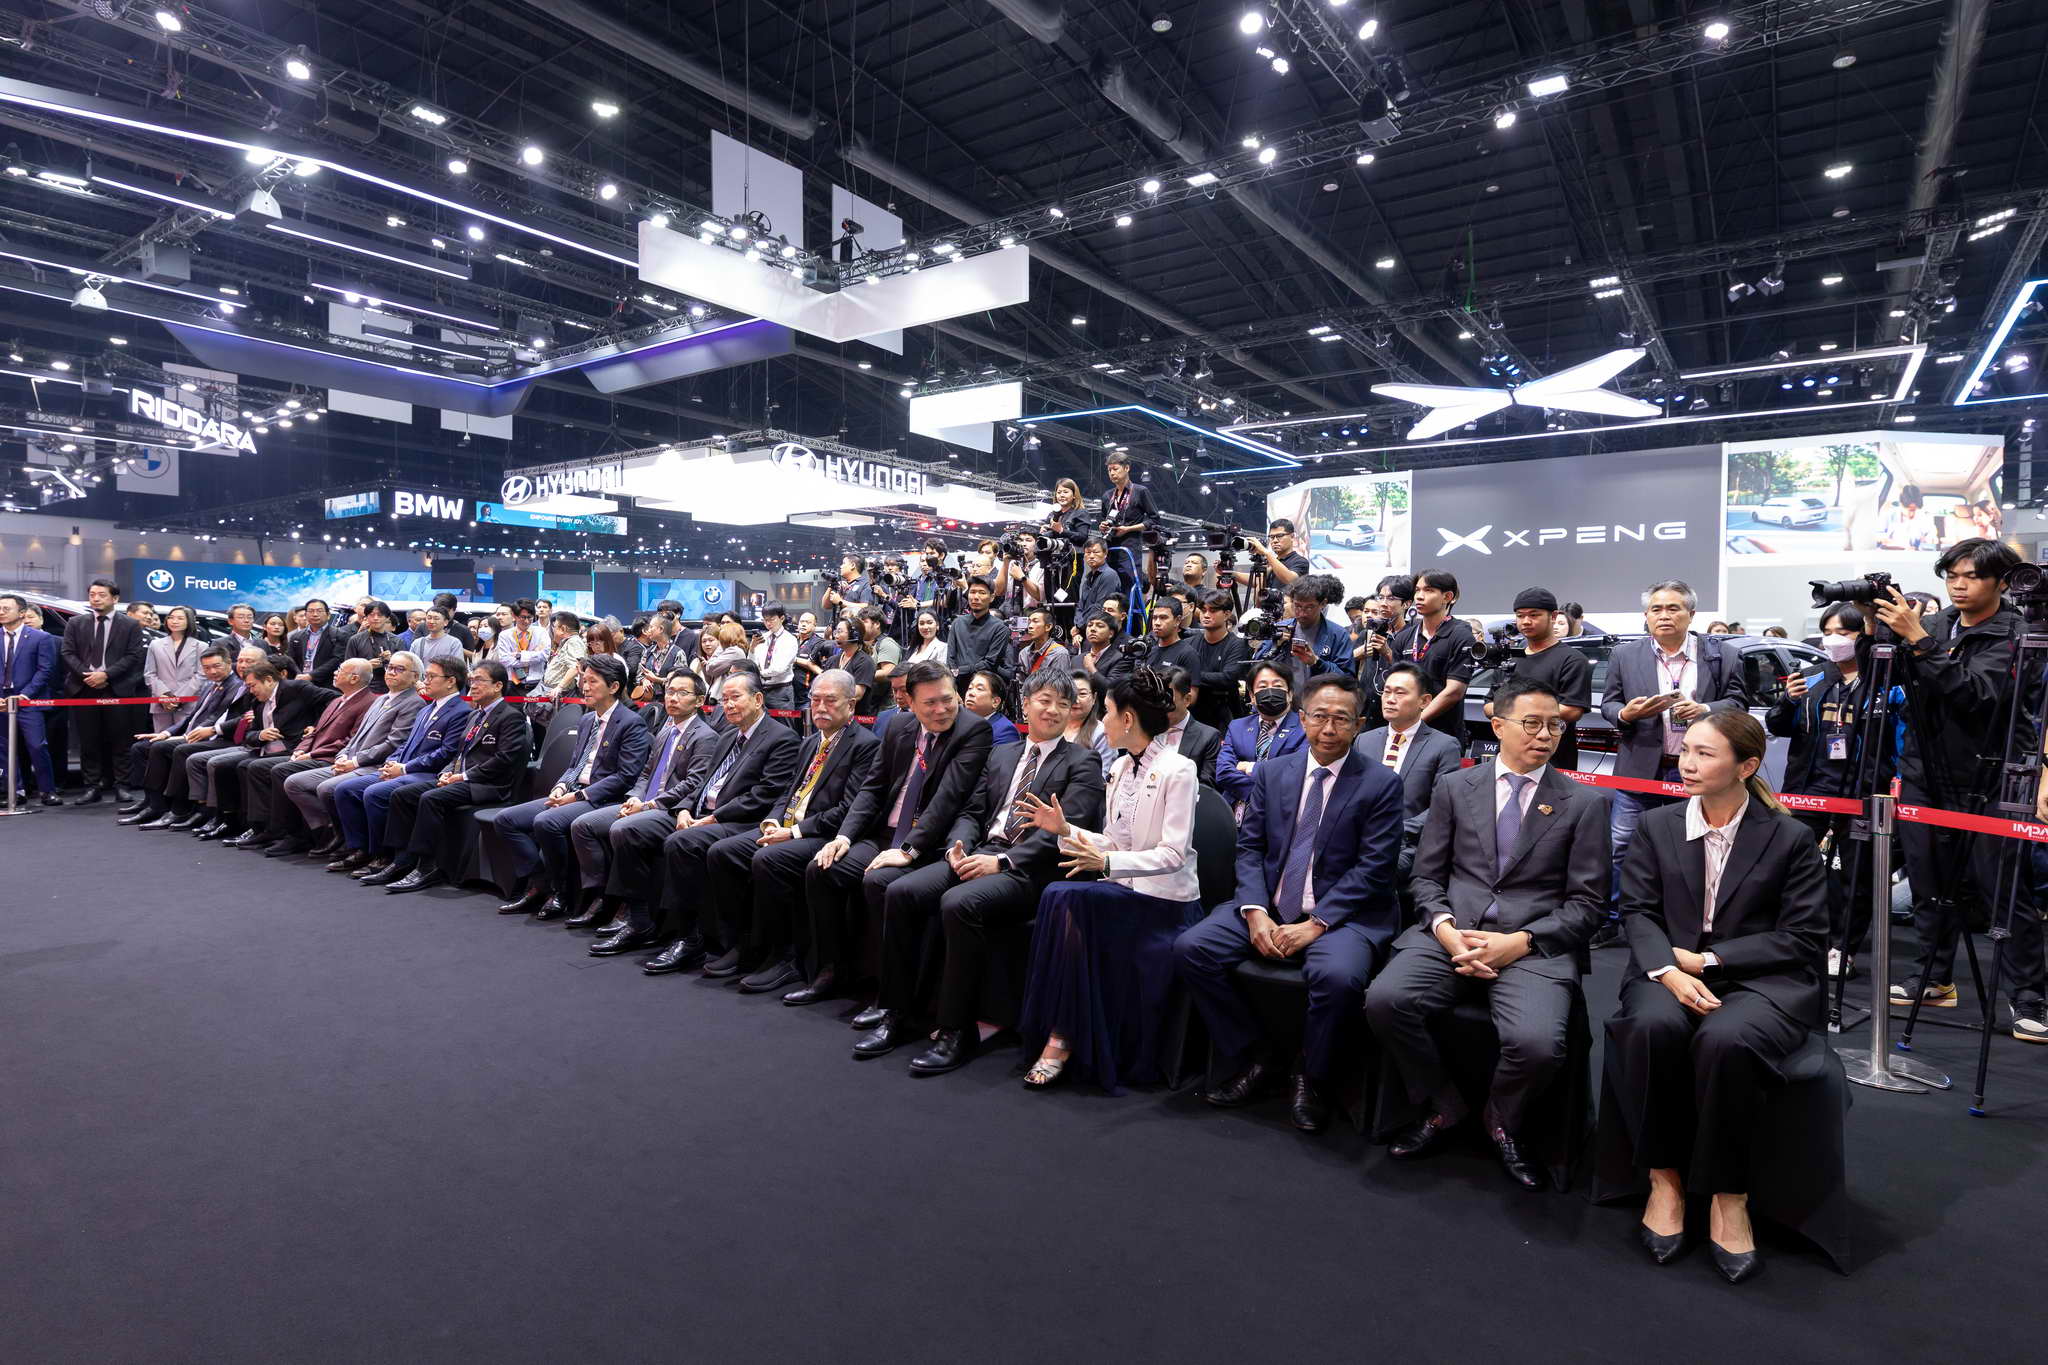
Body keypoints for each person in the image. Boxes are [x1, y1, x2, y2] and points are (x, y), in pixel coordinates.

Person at [1606, 711, 1828, 1283]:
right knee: (1653, 1027)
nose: (1687, 763)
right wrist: (1667, 970)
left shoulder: (1790, 837)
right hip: (1665, 969)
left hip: (1762, 978)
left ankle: (1730, 1194)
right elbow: (1637, 911)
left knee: (1726, 1040)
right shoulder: (1656, 825)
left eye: (1705, 754)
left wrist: (1708, 961)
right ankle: (1664, 1179)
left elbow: (1802, 937)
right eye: (1687, 750)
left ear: (1747, 766)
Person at [1365, 677, 1611, 1189]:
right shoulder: (1457, 787)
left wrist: (1520, 942)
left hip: (1533, 943)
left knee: (1537, 1044)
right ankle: (1443, 1104)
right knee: (1385, 1001)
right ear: (1497, 726)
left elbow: (1588, 904)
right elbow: (1426, 877)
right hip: (1452, 932)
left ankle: (1501, 1119)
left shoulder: (1583, 802)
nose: (1545, 735)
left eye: (1555, 726)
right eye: (1532, 723)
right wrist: (1445, 929)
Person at [1177, 674, 1405, 1129]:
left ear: (1359, 725)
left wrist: (1316, 923)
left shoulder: (1381, 783)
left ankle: (1311, 1074)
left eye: (1341, 719)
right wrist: (1254, 910)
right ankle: (1257, 1055)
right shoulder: (1274, 772)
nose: (1328, 728)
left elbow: (1374, 869)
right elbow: (1251, 847)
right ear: (1302, 719)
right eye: (1319, 716)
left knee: (1337, 977)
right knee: (1192, 949)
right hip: (1270, 902)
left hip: (1344, 914)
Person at [859, 670, 1108, 1072]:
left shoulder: (1083, 760)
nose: (1053, 710)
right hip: (983, 851)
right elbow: (972, 811)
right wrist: (958, 848)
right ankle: (895, 1011)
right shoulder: (1002, 753)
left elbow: (1067, 830)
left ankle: (957, 1030)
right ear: (1025, 704)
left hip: (1032, 869)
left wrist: (1003, 862)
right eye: (1045, 701)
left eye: (1063, 704)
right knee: (901, 891)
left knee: (959, 903)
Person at [1875, 539, 2046, 1039]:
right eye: (1952, 575)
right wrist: (1876, 629)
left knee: (2003, 892)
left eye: (1971, 576)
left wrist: (1918, 641)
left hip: (1990, 777)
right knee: (1928, 884)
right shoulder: (1935, 624)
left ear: (2001, 581)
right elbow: (1887, 677)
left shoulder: (2017, 632)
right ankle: (1933, 977)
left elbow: (1978, 695)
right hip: (1925, 774)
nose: (1959, 585)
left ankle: (2029, 999)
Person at [1014, 667, 1201, 1092]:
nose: (1102, 719)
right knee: (1060, 896)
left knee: (1063, 896)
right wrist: (1065, 830)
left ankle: (1061, 1035)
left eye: (1109, 712)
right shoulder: (1118, 767)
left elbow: (1173, 854)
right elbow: (1114, 842)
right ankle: (1061, 1031)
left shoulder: (1179, 769)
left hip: (1165, 901)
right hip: (1124, 891)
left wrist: (1106, 864)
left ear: (1128, 719)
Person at [786, 661, 994, 1007]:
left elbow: (949, 798)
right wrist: (844, 837)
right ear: (910, 702)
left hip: (927, 840)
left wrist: (910, 848)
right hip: (884, 833)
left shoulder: (973, 731)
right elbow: (873, 787)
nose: (941, 710)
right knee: (823, 869)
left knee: (879, 882)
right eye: (929, 703)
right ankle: (831, 971)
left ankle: (888, 996)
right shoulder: (898, 726)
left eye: (947, 699)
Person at [593, 672, 800, 965]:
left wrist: (714, 817)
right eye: (724, 699)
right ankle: (638, 920)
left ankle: (688, 937)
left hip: (737, 820)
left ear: (757, 699)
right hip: (698, 812)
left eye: (735, 697)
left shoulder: (781, 738)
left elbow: (764, 795)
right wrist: (684, 808)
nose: (728, 705)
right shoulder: (729, 735)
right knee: (628, 830)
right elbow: (703, 782)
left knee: (681, 842)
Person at [702, 670, 881, 992]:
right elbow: (788, 791)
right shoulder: (811, 741)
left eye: (830, 701)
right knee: (723, 853)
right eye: (815, 700)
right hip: (787, 825)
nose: (820, 708)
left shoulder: (865, 745)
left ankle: (786, 956)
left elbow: (849, 808)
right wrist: (773, 821)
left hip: (822, 833)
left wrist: (795, 831)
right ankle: (744, 943)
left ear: (851, 705)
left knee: (769, 859)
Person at [1599, 580, 1751, 936]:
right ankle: (1612, 920)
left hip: (1698, 771)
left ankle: (1683, 924)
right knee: (1621, 846)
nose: (1664, 615)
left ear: (1691, 614)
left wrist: (1705, 709)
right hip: (1639, 769)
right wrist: (1625, 714)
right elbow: (1609, 704)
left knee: (1692, 849)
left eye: (1673, 608)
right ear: (1646, 615)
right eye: (1656, 609)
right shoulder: (1625, 655)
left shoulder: (1721, 655)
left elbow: (1738, 703)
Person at [1767, 603, 1880, 975]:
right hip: (1808, 787)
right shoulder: (1811, 676)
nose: (1834, 640)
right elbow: (1779, 726)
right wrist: (1788, 700)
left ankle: (1842, 947)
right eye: (1828, 632)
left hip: (1861, 791)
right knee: (1789, 865)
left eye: (1844, 633)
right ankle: (1786, 936)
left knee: (1856, 875)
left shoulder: (1883, 679)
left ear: (1864, 635)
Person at [491, 656, 651, 917]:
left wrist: (579, 795)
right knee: (506, 819)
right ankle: (540, 883)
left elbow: (625, 777)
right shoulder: (587, 720)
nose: (584, 687)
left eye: (592, 681)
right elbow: (575, 765)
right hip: (574, 792)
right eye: (583, 680)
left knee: (546, 821)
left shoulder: (631, 722)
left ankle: (561, 892)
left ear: (613, 686)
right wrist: (561, 786)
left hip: (603, 798)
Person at [564, 672, 722, 930]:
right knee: (583, 825)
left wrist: (648, 805)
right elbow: (646, 774)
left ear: (699, 700)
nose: (673, 698)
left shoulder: (705, 736)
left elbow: (693, 784)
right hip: (643, 802)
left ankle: (633, 911)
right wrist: (634, 797)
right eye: (670, 691)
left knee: (623, 828)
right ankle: (602, 898)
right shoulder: (665, 731)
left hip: (669, 809)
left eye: (682, 693)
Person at [364, 660, 529, 892]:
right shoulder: (475, 715)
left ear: (498, 686)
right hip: (460, 779)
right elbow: (458, 753)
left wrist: (462, 776)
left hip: (488, 785)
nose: (473, 685)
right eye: (472, 680)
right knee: (402, 794)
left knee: (431, 798)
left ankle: (427, 867)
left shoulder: (511, 716)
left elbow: (503, 760)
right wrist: (447, 772)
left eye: (479, 680)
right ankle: (402, 860)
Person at [328, 660, 472, 879]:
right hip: (404, 768)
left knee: (375, 793)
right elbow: (405, 744)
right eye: (426, 676)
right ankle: (361, 849)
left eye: (431, 677)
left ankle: (385, 855)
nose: (425, 681)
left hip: (428, 773)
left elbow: (446, 753)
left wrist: (403, 768)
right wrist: (391, 763)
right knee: (345, 789)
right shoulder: (427, 709)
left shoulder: (461, 711)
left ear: (451, 681)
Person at [227, 657, 377, 852]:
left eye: (339, 670)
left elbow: (351, 741)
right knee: (252, 767)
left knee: (279, 771)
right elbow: (314, 731)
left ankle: (294, 834)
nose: (334, 672)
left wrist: (311, 754)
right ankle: (266, 828)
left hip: (330, 758)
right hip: (306, 751)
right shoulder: (338, 700)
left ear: (354, 678)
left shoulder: (368, 702)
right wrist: (301, 749)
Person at [286, 655, 427, 862]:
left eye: (399, 669)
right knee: (294, 783)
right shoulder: (381, 699)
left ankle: (356, 844)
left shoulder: (413, 703)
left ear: (415, 677)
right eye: (389, 667)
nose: (390, 672)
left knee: (328, 788)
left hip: (375, 765)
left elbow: (393, 743)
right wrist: (343, 755)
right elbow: (356, 737)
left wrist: (355, 761)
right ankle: (336, 833)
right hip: (353, 760)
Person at [189, 660, 338, 841]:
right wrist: (261, 735)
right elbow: (249, 735)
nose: (251, 690)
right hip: (264, 749)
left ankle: (262, 827)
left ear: (268, 680)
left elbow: (335, 700)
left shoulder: (296, 688)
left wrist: (317, 726)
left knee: (250, 767)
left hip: (294, 749)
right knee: (223, 766)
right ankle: (231, 821)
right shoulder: (257, 702)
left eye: (253, 685)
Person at [1355, 664, 1464, 882]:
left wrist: (1395, 831)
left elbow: (1442, 806)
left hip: (1408, 844)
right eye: (1387, 691)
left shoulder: (1444, 746)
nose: (1390, 699)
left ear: (1424, 701)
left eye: (1400, 693)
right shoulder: (1363, 740)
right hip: (1358, 838)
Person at [123, 646, 248, 827]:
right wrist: (167, 732)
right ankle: (152, 800)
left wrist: (181, 738)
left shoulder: (235, 686)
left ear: (229, 663)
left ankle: (176, 809)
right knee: (140, 747)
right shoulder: (209, 685)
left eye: (216, 666)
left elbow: (215, 719)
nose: (212, 671)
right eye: (207, 668)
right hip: (193, 733)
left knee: (165, 748)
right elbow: (191, 717)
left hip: (213, 737)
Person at [59, 579, 149, 803]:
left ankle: (122, 785)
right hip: (83, 688)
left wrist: (106, 675)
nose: (96, 598)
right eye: (92, 594)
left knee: (121, 741)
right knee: (88, 742)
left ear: (115, 598)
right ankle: (91, 786)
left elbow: (133, 656)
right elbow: (67, 653)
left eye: (101, 595)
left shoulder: (130, 624)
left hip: (116, 688)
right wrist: (88, 676)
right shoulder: (76, 623)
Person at [1497, 588, 1594, 772]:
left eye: (1534, 615)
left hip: (1553, 758)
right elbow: (1488, 704)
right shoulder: (1509, 659)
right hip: (1508, 757)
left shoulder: (1572, 660)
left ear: (1553, 616)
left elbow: (1572, 710)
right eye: (1520, 616)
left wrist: (1516, 714)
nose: (1526, 621)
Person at [1379, 570, 1474, 745]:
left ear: (1447, 597)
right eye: (1417, 590)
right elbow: (1396, 683)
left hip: (1443, 734)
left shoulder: (1461, 635)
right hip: (1402, 731)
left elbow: (1454, 691)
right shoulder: (1405, 637)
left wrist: (1416, 722)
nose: (1419, 596)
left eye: (1428, 590)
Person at [1216, 661, 1305, 808]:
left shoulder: (1304, 729)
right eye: (1262, 687)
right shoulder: (1237, 726)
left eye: (1277, 686)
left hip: (1281, 810)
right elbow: (1223, 773)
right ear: (1252, 696)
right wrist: (1264, 793)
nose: (1270, 691)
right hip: (1236, 810)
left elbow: (1294, 774)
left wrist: (1250, 767)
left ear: (1290, 694)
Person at [1, 592, 62, 805]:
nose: (1, 612)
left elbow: (45, 670)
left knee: (37, 745)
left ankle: (47, 790)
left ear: (21, 612)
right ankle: (15, 791)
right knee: (4, 749)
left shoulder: (40, 638)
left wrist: (25, 694)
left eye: (6, 608)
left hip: (29, 699)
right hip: (1, 700)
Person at [1189, 590, 1250, 735]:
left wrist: (1192, 676)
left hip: (1225, 716)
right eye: (1203, 610)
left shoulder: (1237, 645)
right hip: (1194, 714)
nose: (1206, 615)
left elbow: (1228, 678)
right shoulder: (1190, 643)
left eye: (1213, 610)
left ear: (1227, 614)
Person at [1098, 454, 1158, 593]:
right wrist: (1102, 526)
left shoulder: (1140, 491)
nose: (1112, 473)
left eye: (1115, 469)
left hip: (1130, 547)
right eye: (1109, 470)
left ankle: (1133, 608)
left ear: (1126, 468)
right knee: (1110, 587)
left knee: (1129, 586)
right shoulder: (1107, 496)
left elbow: (1154, 520)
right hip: (1110, 547)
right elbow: (1103, 519)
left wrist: (1129, 529)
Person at [142, 605, 203, 734]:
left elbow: (201, 675)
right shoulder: (155, 644)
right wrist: (165, 695)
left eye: (180, 618)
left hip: (188, 703)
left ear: (189, 621)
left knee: (186, 739)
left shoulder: (200, 646)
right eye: (171, 618)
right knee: (160, 740)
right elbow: (149, 674)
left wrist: (179, 698)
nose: (174, 621)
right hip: (161, 702)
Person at [1161, 667, 1222, 790]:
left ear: (1187, 699)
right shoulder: (1146, 730)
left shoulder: (1209, 737)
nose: (1161, 704)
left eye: (1167, 698)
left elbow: (1206, 789)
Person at [945, 576, 1013, 686]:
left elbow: (990, 663)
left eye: (982, 593)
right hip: (956, 684)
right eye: (972, 592)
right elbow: (950, 657)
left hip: (983, 685)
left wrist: (959, 671)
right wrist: (953, 676)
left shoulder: (1000, 628)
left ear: (991, 597)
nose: (976, 597)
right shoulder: (957, 623)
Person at [1063, 669, 1116, 778]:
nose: (1076, 700)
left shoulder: (1102, 732)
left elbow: (1102, 777)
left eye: (1082, 694)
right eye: (1071, 694)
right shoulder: (1054, 726)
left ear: (1094, 698)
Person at [1235, 517, 1313, 589]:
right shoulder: (1273, 562)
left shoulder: (1300, 561)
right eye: (1272, 537)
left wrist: (1266, 553)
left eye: (1280, 536)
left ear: (1292, 537)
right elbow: (1257, 580)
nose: (1275, 541)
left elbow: (1290, 580)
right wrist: (1232, 574)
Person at [751, 603, 800, 712]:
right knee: (761, 722)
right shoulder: (763, 638)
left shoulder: (789, 639)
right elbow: (752, 664)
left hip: (781, 691)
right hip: (761, 690)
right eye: (765, 620)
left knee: (783, 722)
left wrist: (759, 673)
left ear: (781, 618)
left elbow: (779, 668)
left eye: (772, 619)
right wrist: (752, 649)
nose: (768, 623)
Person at [493, 599, 549, 693]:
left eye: (529, 617)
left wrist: (520, 656)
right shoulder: (505, 635)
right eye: (522, 617)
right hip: (513, 684)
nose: (526, 621)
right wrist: (532, 656)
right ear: (514, 616)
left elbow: (544, 655)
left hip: (537, 684)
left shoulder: (541, 632)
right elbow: (505, 660)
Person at [287, 598, 345, 688]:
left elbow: (337, 660)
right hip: (301, 683)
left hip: (326, 685)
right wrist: (300, 675)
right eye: (311, 611)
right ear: (306, 615)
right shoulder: (296, 637)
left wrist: (311, 676)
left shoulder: (339, 635)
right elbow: (291, 659)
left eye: (319, 611)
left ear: (328, 615)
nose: (315, 614)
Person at [1015, 605, 1071, 694]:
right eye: (1029, 622)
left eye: (1035, 621)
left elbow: (1059, 688)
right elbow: (1020, 685)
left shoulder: (1059, 653)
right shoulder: (1024, 653)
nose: (1030, 626)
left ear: (1048, 627)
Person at [1142, 601, 1200, 678]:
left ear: (1178, 620)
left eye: (1163, 618)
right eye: (1154, 618)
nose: (1157, 623)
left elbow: (1193, 686)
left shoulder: (1188, 654)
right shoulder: (1150, 650)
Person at [964, 669, 1021, 746]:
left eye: (979, 689)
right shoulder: (959, 721)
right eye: (970, 688)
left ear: (995, 702)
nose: (970, 693)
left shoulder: (1005, 730)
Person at [1076, 613, 1133, 690]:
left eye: (1100, 626)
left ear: (1111, 634)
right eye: (1090, 625)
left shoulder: (1121, 659)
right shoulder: (1076, 659)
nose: (1092, 629)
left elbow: (1112, 690)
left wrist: (1092, 669)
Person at [1075, 537, 1123, 627]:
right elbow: (1080, 607)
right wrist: (1077, 625)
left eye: (1096, 552)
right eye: (1088, 552)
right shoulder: (1088, 579)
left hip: (1103, 628)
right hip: (1086, 626)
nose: (1091, 556)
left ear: (1105, 554)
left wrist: (1080, 627)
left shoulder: (1109, 575)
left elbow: (1100, 607)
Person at [1877, 483, 1939, 551]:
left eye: (1915, 510)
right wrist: (1898, 544)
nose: (1912, 514)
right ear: (1901, 504)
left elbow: (1931, 533)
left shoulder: (1923, 518)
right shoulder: (1888, 515)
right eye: (1910, 510)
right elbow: (1878, 536)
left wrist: (1931, 538)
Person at [539, 612, 587, 698]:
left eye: (555, 627)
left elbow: (575, 667)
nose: (553, 630)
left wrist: (559, 687)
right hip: (553, 692)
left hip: (561, 695)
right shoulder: (568, 642)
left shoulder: (574, 642)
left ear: (563, 629)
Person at [820, 555, 873, 619]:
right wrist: (832, 585)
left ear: (852, 565)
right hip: (839, 623)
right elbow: (825, 606)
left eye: (844, 563)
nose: (841, 566)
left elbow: (866, 607)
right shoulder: (841, 585)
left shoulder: (864, 584)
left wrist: (840, 602)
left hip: (853, 624)